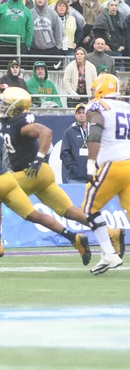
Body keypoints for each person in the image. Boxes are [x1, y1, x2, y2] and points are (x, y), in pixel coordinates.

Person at [0, 88, 122, 263]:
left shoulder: (20, 123)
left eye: (6, 104)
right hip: (38, 175)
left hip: (32, 172)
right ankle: (109, 232)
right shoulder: (8, 122)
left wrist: (38, 158)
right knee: (70, 211)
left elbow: (46, 132)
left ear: (16, 107)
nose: (1, 106)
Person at [82, 73, 129, 274]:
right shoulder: (126, 107)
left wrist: (91, 162)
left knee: (88, 209)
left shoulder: (98, 106)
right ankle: (107, 254)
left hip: (112, 165)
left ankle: (109, 254)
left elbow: (96, 130)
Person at [0, 0, 33, 70]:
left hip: (20, 45)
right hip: (2, 44)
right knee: (0, 71)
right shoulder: (1, 8)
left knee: (20, 73)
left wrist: (28, 44)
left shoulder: (26, 10)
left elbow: (29, 28)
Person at [60, 103, 89, 183]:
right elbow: (64, 152)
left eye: (84, 112)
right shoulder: (69, 132)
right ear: (75, 115)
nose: (82, 115)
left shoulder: (94, 130)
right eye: (79, 113)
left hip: (92, 176)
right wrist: (72, 168)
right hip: (75, 177)